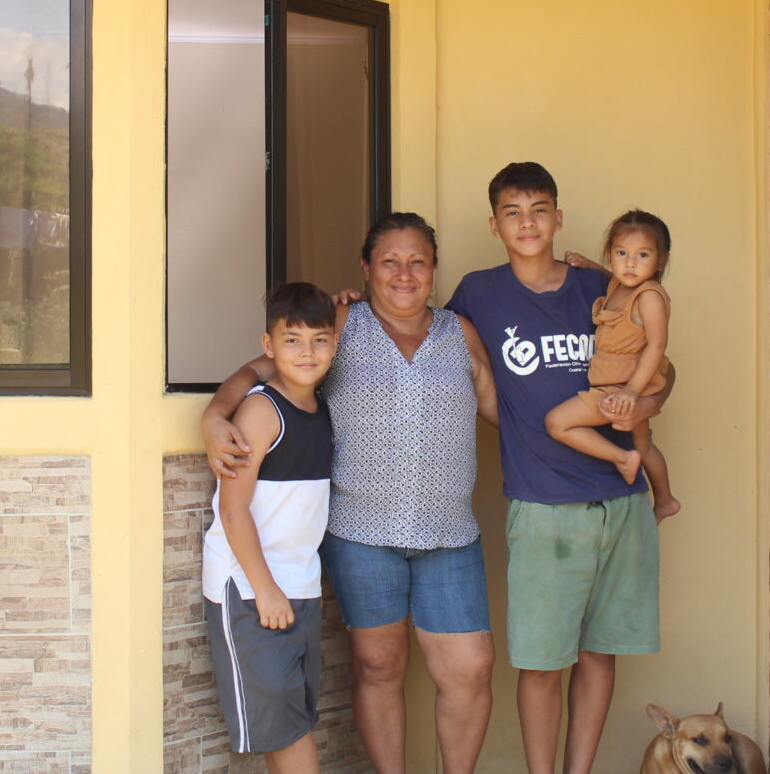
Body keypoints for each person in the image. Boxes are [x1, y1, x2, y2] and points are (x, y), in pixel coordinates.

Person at [203, 213, 501, 774]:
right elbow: (259, 370)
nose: (404, 274)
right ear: (366, 269)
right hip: (361, 534)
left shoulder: (458, 332)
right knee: (379, 667)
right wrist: (216, 416)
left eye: (418, 261)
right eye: (390, 261)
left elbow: (502, 411)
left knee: (471, 666)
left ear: (434, 269)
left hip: (450, 534)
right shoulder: (342, 325)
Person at [444, 162, 671, 774]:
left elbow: (659, 370)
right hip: (542, 505)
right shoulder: (478, 293)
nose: (528, 223)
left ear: (559, 217)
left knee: (600, 654)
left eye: (540, 209)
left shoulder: (601, 289)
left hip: (621, 502)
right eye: (513, 212)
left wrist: (644, 404)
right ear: (494, 224)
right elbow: (427, 341)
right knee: (542, 663)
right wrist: (350, 306)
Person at [201, 283, 339, 774]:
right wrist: (265, 589)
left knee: (290, 722)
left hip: (295, 585)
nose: (307, 352)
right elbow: (233, 511)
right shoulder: (262, 411)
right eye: (292, 340)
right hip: (251, 589)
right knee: (289, 729)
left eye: (320, 340)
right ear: (268, 346)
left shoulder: (320, 407)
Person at [552, 209, 680, 522]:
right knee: (645, 444)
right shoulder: (620, 286)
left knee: (558, 423)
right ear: (610, 255)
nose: (630, 263)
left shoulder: (649, 297)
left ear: (661, 260)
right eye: (621, 253)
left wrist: (632, 392)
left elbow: (657, 345)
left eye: (643, 254)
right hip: (619, 384)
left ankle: (622, 458)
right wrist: (589, 265)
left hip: (620, 388)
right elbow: (614, 280)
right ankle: (665, 500)